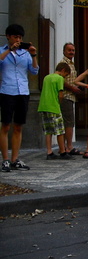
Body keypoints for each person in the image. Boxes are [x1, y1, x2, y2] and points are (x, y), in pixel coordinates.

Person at [0, 24, 39, 172]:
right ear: (8, 37)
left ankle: (14, 159)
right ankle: (5, 159)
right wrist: (10, 50)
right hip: (7, 91)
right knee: (5, 125)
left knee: (18, 126)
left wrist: (34, 55)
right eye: (16, 37)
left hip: (23, 92)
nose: (18, 40)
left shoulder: (25, 54)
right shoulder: (2, 51)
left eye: (20, 37)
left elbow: (34, 71)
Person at [38, 62, 73, 160]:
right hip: (54, 107)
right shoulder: (59, 78)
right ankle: (62, 151)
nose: (65, 77)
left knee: (48, 131)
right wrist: (59, 102)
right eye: (66, 75)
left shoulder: (46, 77)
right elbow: (60, 94)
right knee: (60, 130)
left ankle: (49, 152)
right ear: (63, 71)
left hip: (44, 106)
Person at [58, 42, 82, 156]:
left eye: (73, 50)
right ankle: (68, 147)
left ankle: (66, 146)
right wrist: (72, 88)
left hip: (71, 96)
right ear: (64, 51)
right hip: (66, 96)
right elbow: (60, 79)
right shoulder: (63, 63)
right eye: (69, 50)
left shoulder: (71, 63)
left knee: (68, 122)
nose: (71, 52)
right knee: (68, 122)